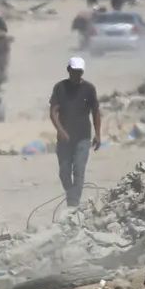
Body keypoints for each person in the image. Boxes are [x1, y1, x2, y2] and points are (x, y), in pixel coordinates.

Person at [47, 57, 101, 208]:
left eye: (79, 72)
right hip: (64, 139)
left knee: (79, 169)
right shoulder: (60, 88)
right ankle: (71, 196)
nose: (76, 75)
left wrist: (98, 134)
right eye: (74, 71)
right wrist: (61, 130)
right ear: (68, 70)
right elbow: (53, 112)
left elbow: (95, 112)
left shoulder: (89, 89)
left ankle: (73, 203)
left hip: (83, 137)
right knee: (64, 172)